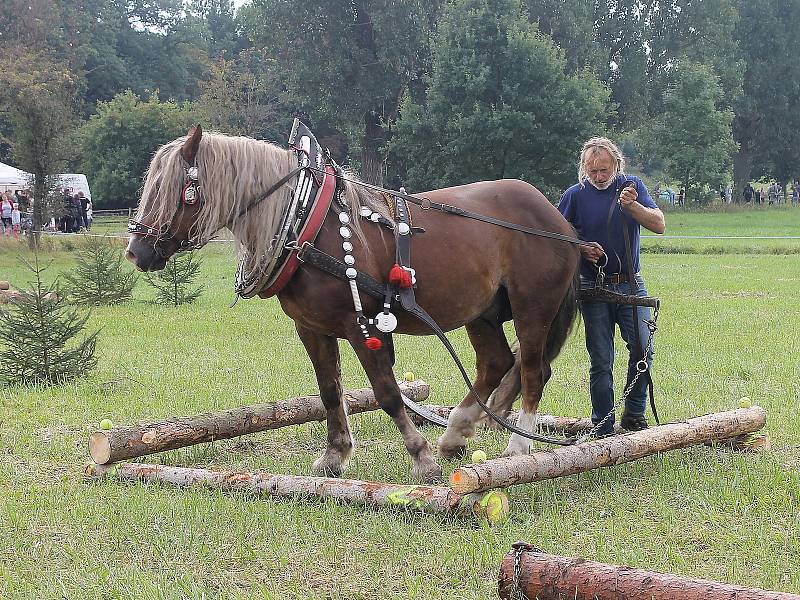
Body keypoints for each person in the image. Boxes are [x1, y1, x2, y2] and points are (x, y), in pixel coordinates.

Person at [558, 137, 666, 436]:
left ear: (616, 165)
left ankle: (634, 414)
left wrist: (633, 208)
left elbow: (658, 224)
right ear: (585, 168)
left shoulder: (633, 187)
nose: (599, 177)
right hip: (593, 287)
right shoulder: (574, 196)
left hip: (631, 284)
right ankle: (602, 424)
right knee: (601, 359)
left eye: (604, 170)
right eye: (592, 171)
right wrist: (580, 247)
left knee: (644, 350)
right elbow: (556, 236)